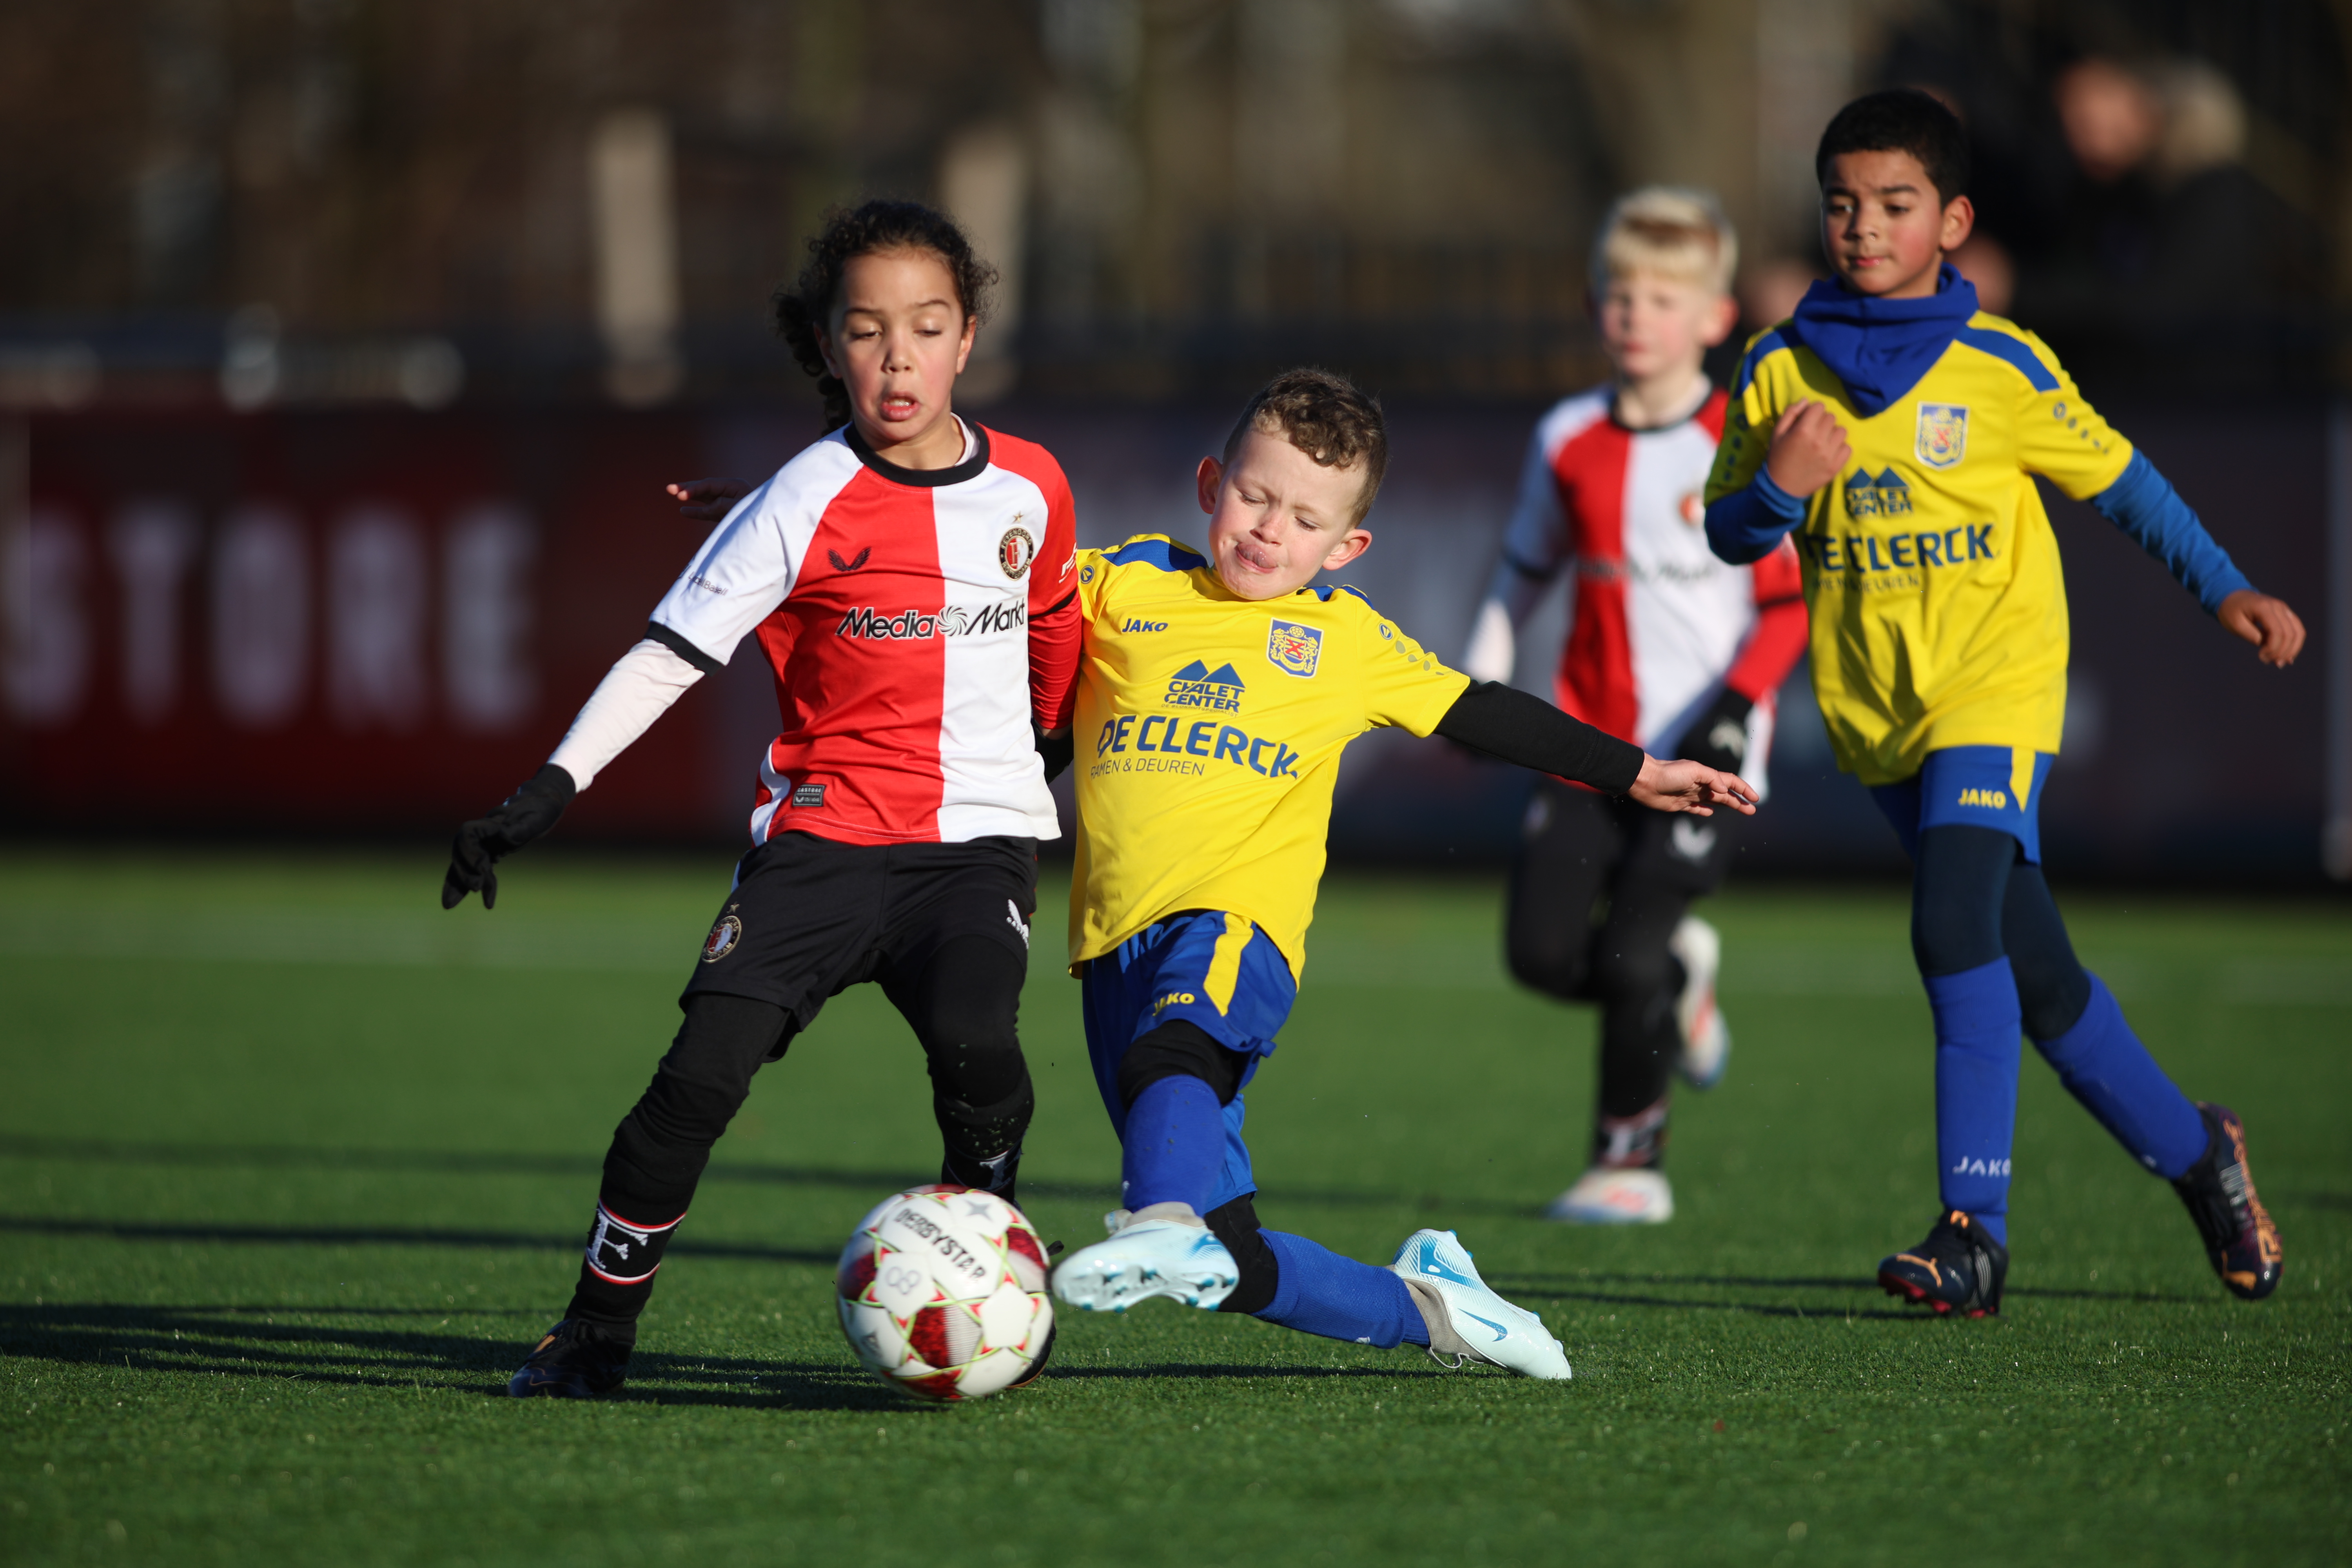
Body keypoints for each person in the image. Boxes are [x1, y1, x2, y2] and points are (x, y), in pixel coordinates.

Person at [441, 200, 1082, 1398]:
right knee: (693, 1086)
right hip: (822, 846)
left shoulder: (1035, 487)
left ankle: (995, 1274)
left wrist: (1039, 754)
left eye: (927, 327)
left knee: (978, 1046)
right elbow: (666, 658)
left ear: (970, 337)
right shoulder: (795, 500)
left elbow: (1057, 628)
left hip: (975, 849)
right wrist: (544, 792)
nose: (899, 357)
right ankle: (592, 1336)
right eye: (868, 330)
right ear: (829, 347)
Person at [1704, 89, 2301, 1316]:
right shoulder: (1777, 368)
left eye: (1896, 205)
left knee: (1948, 925)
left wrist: (2225, 587)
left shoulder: (2005, 364)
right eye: (1843, 205)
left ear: (1955, 220)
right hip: (1879, 721)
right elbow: (1725, 529)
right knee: (2041, 985)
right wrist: (1777, 489)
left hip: (1996, 694)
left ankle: (1974, 1236)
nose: (1864, 227)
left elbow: (2128, 487)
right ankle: (2202, 1156)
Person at [1044, 368, 1757, 1379]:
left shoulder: (1343, 638)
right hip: (1114, 946)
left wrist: (1637, 771)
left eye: (1303, 519)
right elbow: (986, 619)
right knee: (1232, 1258)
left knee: (1176, 1061)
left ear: (1346, 549)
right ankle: (1436, 1309)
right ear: (1210, 483)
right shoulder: (1121, 583)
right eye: (1254, 496)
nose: (1267, 530)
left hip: (1232, 929)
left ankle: (1154, 1216)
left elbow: (1486, 709)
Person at [1463, 187, 1808, 1225]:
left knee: (1631, 951)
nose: (1636, 314)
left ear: (1714, 317)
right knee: (1540, 954)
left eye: (1664, 298)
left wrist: (1735, 710)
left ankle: (1628, 1162)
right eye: (1621, 294)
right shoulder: (1566, 436)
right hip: (1588, 746)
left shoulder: (1741, 439)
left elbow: (1787, 610)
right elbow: (1520, 574)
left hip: (1706, 756)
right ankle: (1680, 980)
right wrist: (1472, 683)